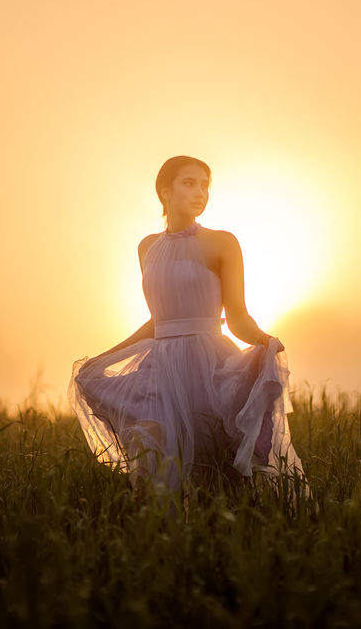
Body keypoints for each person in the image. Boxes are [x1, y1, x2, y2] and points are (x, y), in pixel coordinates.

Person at [68, 155, 306, 500]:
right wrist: (105, 358)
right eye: (189, 183)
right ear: (164, 191)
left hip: (206, 364)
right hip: (160, 366)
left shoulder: (222, 242)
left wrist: (264, 341)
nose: (200, 193)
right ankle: (155, 534)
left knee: (217, 463)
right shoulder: (147, 247)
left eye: (205, 185)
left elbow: (237, 316)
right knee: (152, 453)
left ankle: (221, 532)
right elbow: (157, 321)